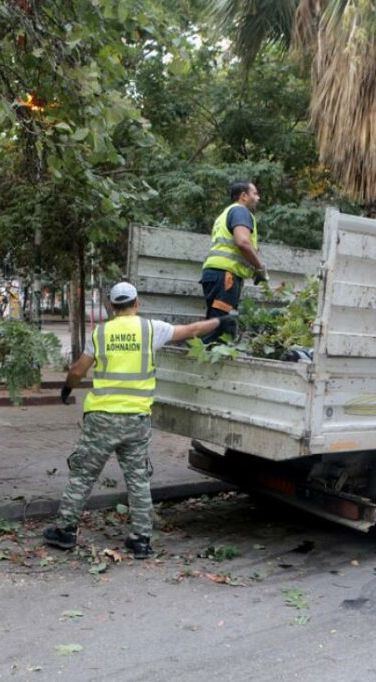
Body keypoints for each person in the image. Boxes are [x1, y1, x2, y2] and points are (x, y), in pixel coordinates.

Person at [43, 282, 237, 559]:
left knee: (83, 475)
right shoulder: (150, 330)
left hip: (102, 419)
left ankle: (65, 532)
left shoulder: (101, 333)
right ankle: (141, 540)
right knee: (138, 480)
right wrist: (222, 320)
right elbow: (193, 331)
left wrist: (67, 388)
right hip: (136, 419)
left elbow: (78, 370)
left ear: (112, 307)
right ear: (136, 303)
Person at [200, 180, 268, 343]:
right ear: (244, 196)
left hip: (217, 275)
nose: (258, 198)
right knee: (221, 329)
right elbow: (242, 242)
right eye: (255, 193)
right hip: (225, 276)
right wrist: (260, 268)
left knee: (217, 322)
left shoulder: (225, 213)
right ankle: (209, 364)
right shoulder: (240, 211)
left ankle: (211, 359)